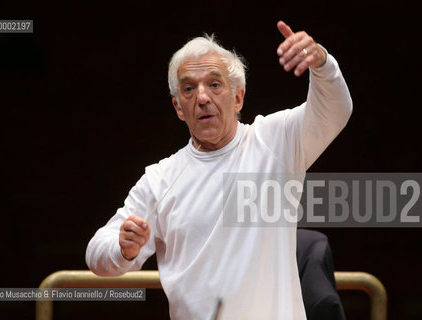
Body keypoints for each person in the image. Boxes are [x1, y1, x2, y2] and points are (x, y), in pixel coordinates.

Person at [86, 20, 352, 319]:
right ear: (178, 107)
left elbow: (335, 109)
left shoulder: (276, 142)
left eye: (214, 84)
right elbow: (97, 253)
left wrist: (322, 63)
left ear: (238, 97)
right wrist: (123, 250)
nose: (202, 98)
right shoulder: (160, 179)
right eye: (189, 88)